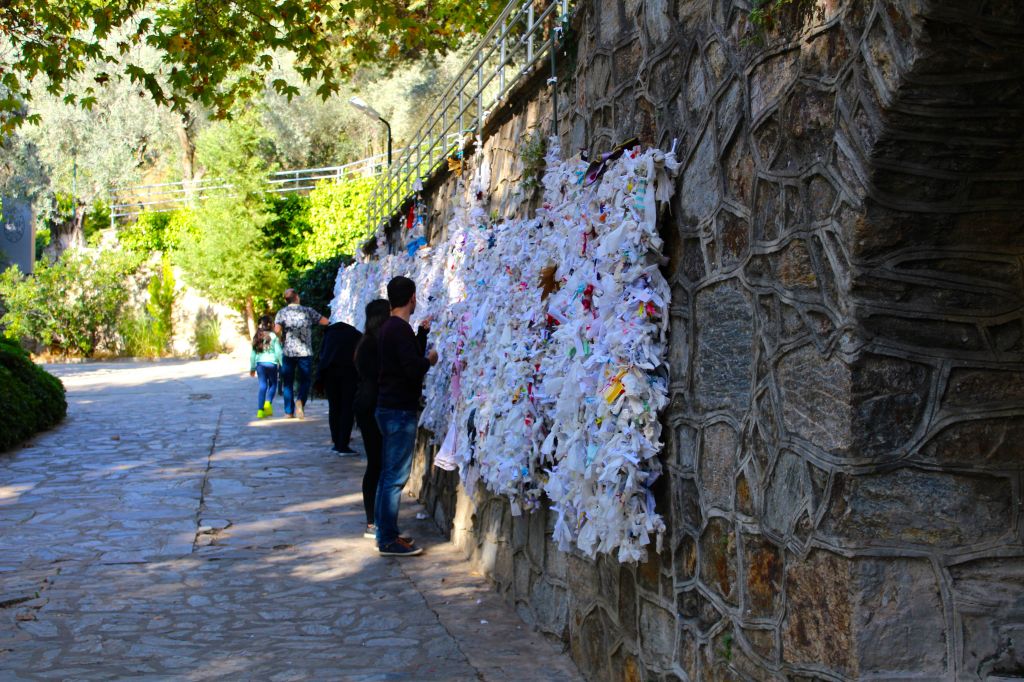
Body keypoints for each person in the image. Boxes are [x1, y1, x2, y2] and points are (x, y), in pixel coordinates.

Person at [375, 276, 438, 557]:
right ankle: (387, 539)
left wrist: (422, 336)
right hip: (398, 411)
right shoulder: (398, 330)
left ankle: (386, 533)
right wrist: (430, 360)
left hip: (389, 408)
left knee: (388, 476)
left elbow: (404, 360)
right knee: (394, 478)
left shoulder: (391, 328)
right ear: (412, 297)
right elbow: (412, 369)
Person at [353, 299, 391, 537]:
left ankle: (373, 520)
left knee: (375, 464)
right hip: (375, 405)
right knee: (379, 464)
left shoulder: (365, 342)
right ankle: (374, 522)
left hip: (365, 404)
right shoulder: (377, 344)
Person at [274, 288, 329, 419]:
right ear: (297, 297)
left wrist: (281, 336)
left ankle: (289, 411)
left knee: (287, 382)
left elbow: (276, 330)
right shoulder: (308, 311)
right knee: (305, 380)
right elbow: (326, 322)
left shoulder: (282, 313)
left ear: (286, 300)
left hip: (288, 352)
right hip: (305, 351)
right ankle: (300, 401)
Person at [316, 317, 362, 455]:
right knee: (347, 408)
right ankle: (343, 444)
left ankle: (336, 442)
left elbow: (322, 356)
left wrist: (320, 378)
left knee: (334, 408)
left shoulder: (329, 334)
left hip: (330, 374)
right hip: (349, 374)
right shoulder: (355, 334)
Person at [249, 315, 282, 419]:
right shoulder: (273, 336)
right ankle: (268, 403)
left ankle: (260, 411)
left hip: (260, 365)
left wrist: (252, 368)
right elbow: (278, 352)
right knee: (273, 384)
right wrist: (282, 364)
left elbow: (252, 354)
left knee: (262, 386)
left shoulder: (257, 336)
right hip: (271, 364)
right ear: (270, 324)